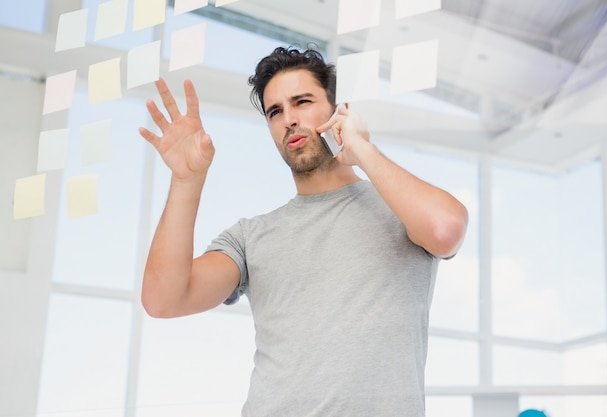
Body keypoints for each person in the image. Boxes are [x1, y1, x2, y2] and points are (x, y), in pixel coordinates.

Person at [139, 46, 468, 417]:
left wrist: (359, 145)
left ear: (337, 109)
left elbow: (446, 230)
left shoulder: (401, 207)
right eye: (275, 111)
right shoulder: (250, 237)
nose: (289, 119)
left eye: (302, 101)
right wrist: (187, 179)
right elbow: (164, 300)